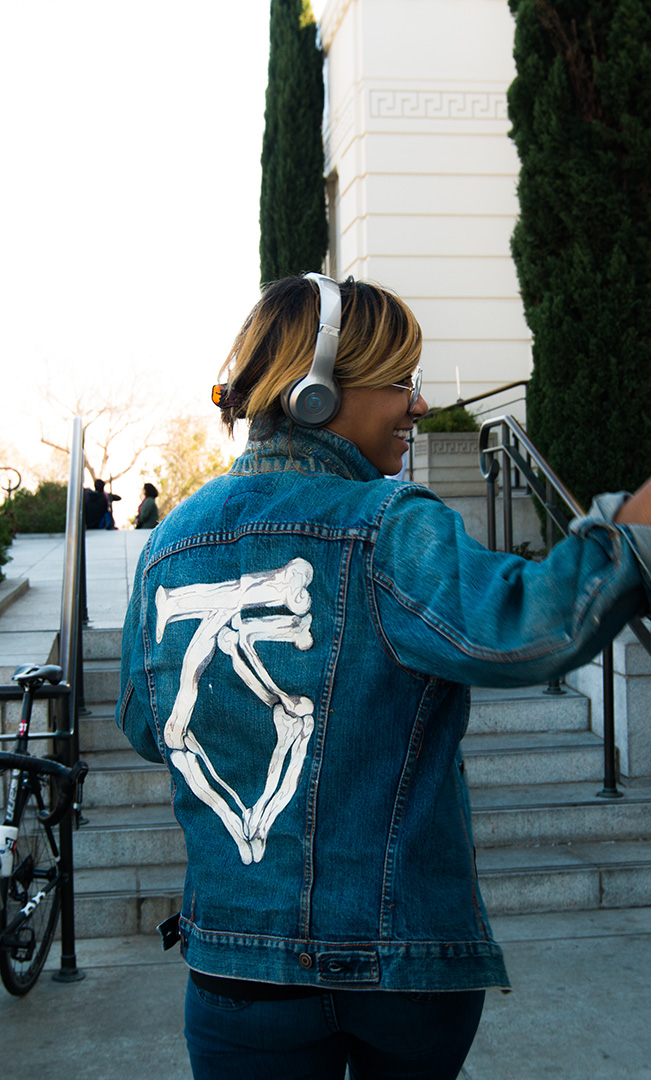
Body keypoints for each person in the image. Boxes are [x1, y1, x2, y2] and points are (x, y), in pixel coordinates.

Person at [116, 274, 651, 1080]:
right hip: (401, 967)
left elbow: (143, 724)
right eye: (400, 381)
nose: (418, 404)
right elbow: (529, 629)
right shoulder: (387, 522)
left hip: (236, 969)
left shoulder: (170, 543)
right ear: (316, 392)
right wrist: (632, 528)